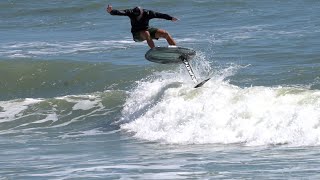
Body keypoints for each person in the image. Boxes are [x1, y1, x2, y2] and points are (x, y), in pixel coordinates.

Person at [106, 5, 178, 48]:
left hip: (147, 30)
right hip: (137, 35)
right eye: (135, 15)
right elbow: (120, 12)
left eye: (138, 15)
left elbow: (160, 15)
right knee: (146, 33)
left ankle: (176, 50)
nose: (137, 17)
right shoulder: (130, 12)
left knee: (165, 33)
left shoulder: (148, 13)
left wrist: (171, 18)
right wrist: (111, 11)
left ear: (142, 12)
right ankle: (153, 50)